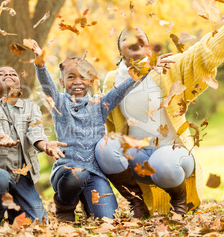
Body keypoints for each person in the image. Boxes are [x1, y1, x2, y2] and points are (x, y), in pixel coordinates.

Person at [30, 40, 166, 221]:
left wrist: (147, 66)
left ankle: (89, 203)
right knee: (77, 174)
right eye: (71, 77)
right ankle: (65, 206)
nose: (77, 81)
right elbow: (47, 84)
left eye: (83, 77)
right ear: (62, 81)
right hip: (67, 171)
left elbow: (123, 87)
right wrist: (40, 64)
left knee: (107, 219)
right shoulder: (60, 103)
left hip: (94, 173)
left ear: (91, 80)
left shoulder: (100, 104)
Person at [96, 26, 224, 218]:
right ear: (120, 50)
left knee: (162, 163)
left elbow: (201, 54)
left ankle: (180, 202)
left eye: (140, 36)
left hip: (173, 155)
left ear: (148, 47)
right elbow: (108, 122)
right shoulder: (112, 79)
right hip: (137, 158)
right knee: (104, 147)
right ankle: (136, 203)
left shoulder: (169, 66)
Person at [0, 66, 67, 226]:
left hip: (23, 177)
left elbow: (36, 131)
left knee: (38, 222)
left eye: (13, 73)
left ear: (19, 88)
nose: (8, 74)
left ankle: (15, 211)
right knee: (0, 179)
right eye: (0, 74)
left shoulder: (31, 107)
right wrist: (0, 137)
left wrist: (45, 145)